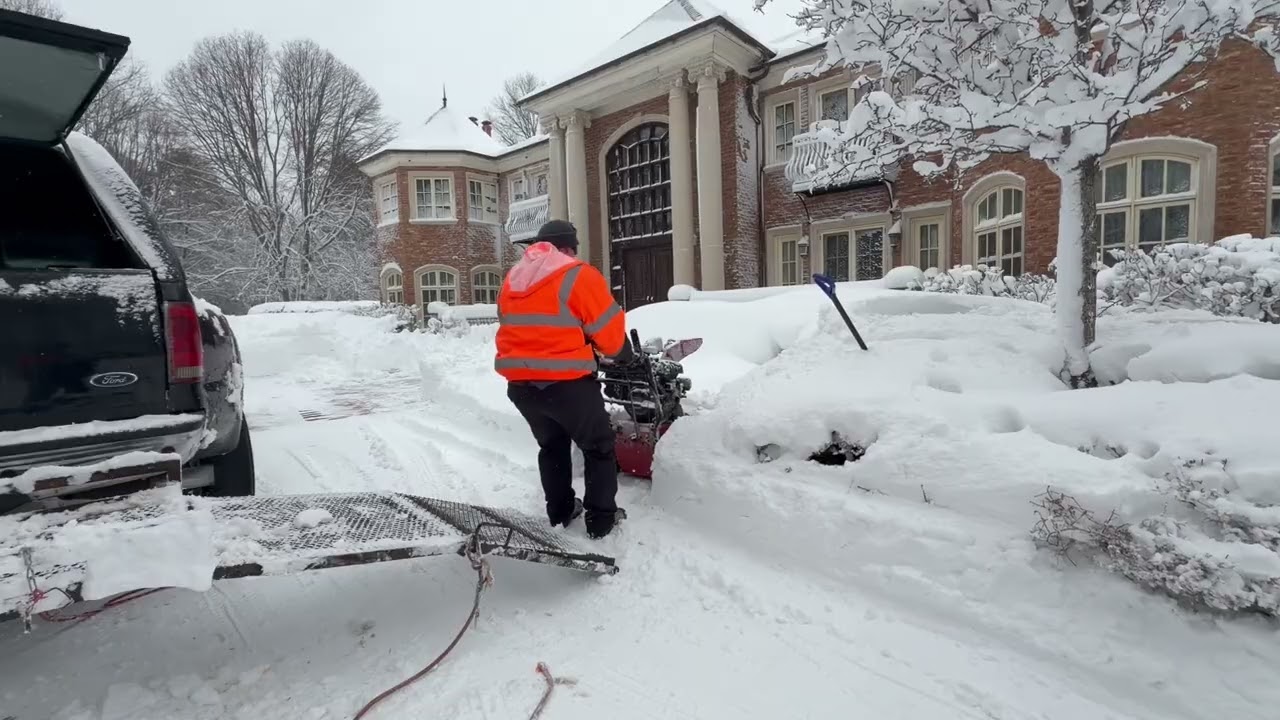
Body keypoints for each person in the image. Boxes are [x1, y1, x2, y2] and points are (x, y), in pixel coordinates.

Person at [495, 220, 638, 539]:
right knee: (599, 447)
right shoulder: (577, 274)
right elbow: (608, 333)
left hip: (521, 387)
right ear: (570, 247)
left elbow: (523, 327)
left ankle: (560, 510)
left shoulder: (513, 279)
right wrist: (623, 353)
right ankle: (601, 519)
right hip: (568, 386)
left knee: (552, 445)